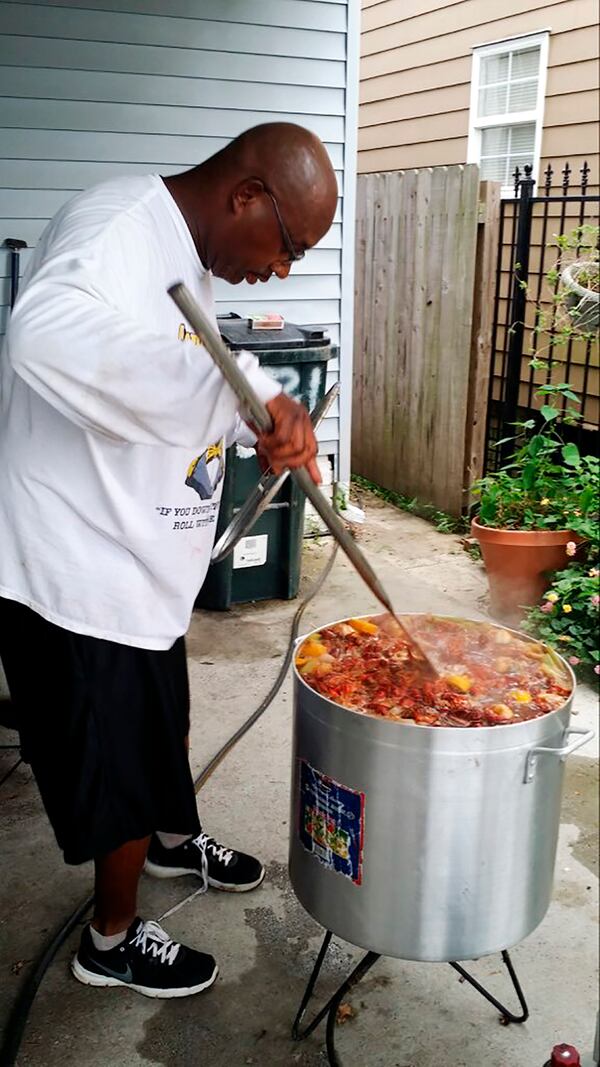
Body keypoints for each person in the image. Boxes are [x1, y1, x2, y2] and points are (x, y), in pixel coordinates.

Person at [0, 122, 338, 999]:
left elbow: (193, 358)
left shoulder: (187, 254)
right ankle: (110, 939)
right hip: (82, 572)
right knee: (116, 763)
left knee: (165, 725)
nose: (286, 267)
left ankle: (172, 840)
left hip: (143, 566)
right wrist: (240, 392)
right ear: (246, 196)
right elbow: (44, 336)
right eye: (290, 244)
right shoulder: (118, 228)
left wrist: (249, 409)